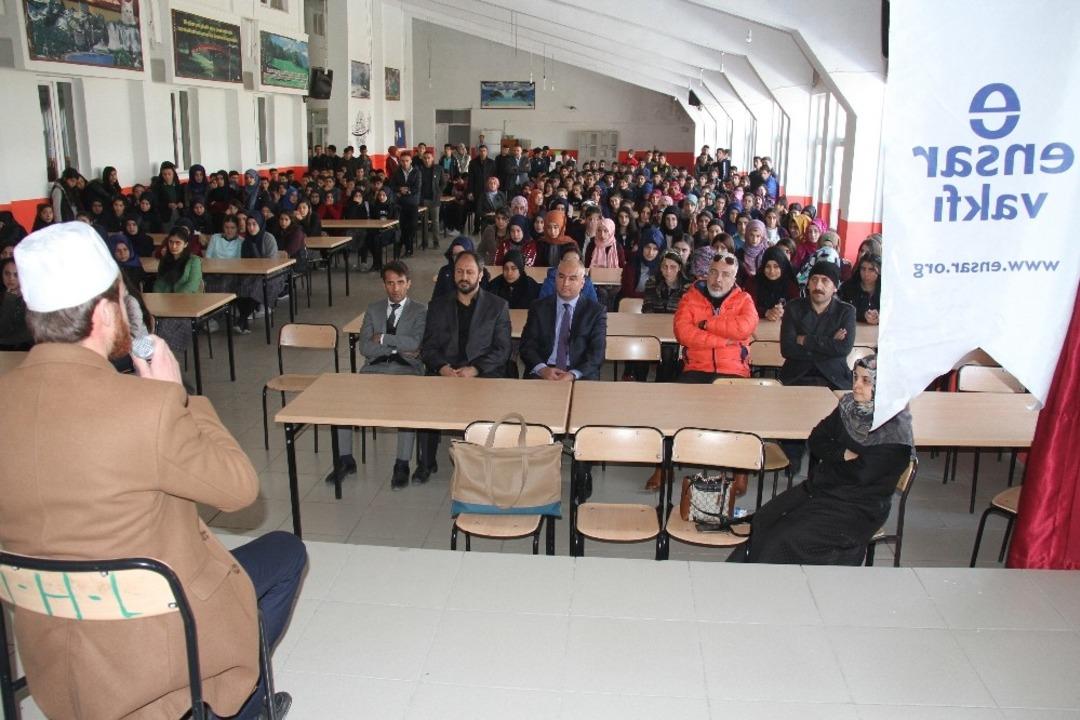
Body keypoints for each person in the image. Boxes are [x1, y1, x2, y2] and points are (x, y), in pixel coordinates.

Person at [0, 222, 303, 719]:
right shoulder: (145, 407)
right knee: (286, 553)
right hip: (153, 645)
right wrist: (177, 397)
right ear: (103, 313)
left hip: (50, 648)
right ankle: (240, 707)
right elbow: (238, 488)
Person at [730, 355, 914, 565]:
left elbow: (861, 475)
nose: (856, 386)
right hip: (825, 489)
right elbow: (817, 438)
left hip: (858, 506)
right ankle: (744, 574)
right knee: (764, 518)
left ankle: (779, 585)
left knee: (783, 537)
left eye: (866, 380)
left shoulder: (895, 432)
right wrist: (842, 454)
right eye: (855, 377)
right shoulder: (849, 407)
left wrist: (831, 462)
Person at [418, 250, 512, 480]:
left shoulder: (497, 306)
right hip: (446, 372)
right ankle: (425, 462)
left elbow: (502, 350)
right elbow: (428, 347)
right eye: (459, 271)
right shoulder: (438, 305)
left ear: (480, 275)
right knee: (424, 402)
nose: (464, 276)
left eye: (470, 272)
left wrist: (475, 369)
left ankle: (480, 460)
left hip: (482, 374)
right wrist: (442, 368)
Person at [334, 261, 427, 488]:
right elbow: (365, 347)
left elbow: (415, 343)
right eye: (390, 283)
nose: (395, 289)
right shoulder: (373, 309)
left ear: (409, 284)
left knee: (407, 408)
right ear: (384, 284)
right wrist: (398, 347)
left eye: (400, 283)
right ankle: (345, 460)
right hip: (374, 368)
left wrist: (384, 338)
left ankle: (402, 464)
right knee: (341, 403)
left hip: (407, 370)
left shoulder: (420, 310)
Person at [520, 254, 606, 383]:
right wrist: (542, 369)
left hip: (579, 373)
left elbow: (597, 354)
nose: (565, 283)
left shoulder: (595, 311)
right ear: (555, 278)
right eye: (561, 277)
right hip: (544, 370)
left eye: (572, 279)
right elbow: (527, 346)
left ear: (582, 283)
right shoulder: (538, 307)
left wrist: (572, 374)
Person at [673, 252, 758, 383]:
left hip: (734, 371)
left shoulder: (744, 300)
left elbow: (744, 328)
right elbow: (683, 333)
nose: (718, 279)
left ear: (734, 280)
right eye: (713, 272)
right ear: (707, 274)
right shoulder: (689, 298)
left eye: (725, 274)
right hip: (696, 369)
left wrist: (707, 325)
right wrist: (724, 341)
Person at [153, 227, 204, 353]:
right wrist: (158, 302)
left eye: (178, 243)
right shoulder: (165, 260)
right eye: (171, 242)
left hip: (187, 306)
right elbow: (158, 284)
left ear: (185, 244)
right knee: (148, 321)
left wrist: (173, 301)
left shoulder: (194, 261)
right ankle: (156, 355)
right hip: (165, 305)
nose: (173, 246)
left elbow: (192, 286)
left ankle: (161, 355)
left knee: (163, 326)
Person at [753, 245, 800, 320]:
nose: (772, 271)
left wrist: (783, 311)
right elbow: (748, 307)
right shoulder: (753, 282)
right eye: (768, 266)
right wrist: (766, 312)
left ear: (783, 267)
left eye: (776, 266)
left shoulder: (791, 285)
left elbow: (797, 308)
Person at [391, 152, 421, 256]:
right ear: (399, 161)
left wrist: (407, 191)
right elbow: (392, 186)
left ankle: (405, 246)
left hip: (413, 203)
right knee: (403, 227)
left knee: (412, 226)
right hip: (400, 204)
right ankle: (408, 249)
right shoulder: (396, 172)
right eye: (402, 161)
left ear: (411, 161)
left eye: (407, 161)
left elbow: (417, 187)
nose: (404, 163)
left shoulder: (417, 172)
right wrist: (399, 189)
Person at [619, 228, 663, 300]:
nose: (650, 253)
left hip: (656, 307)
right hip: (632, 305)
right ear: (642, 246)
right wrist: (650, 297)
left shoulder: (663, 266)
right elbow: (628, 293)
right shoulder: (632, 263)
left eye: (655, 249)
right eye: (647, 247)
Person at [839, 253, 882, 324]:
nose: (866, 273)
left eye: (871, 270)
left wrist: (880, 317)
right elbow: (841, 311)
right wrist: (863, 315)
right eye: (863, 269)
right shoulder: (848, 287)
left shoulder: (886, 289)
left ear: (879, 271)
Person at [0, 257, 31, 349]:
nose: (11, 278)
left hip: (26, 348)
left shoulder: (31, 299)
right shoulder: (3, 297)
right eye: (7, 273)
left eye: (16, 274)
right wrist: (9, 300)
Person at [417, 150, 445, 248]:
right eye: (425, 158)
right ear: (422, 159)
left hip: (434, 199)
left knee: (435, 222)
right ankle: (424, 242)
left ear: (432, 158)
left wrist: (439, 192)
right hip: (423, 199)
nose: (427, 160)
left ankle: (436, 242)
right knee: (424, 222)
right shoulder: (419, 169)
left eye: (429, 158)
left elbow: (443, 183)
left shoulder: (439, 168)